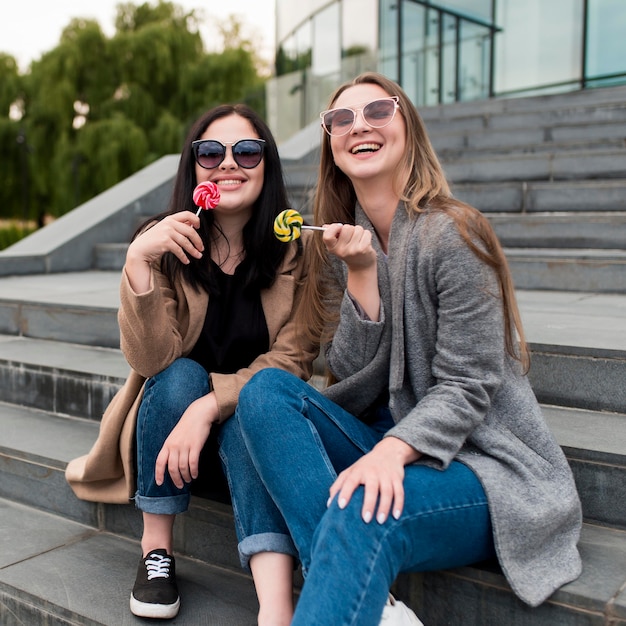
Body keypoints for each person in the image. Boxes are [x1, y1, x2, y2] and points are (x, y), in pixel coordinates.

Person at [219, 72, 583, 625]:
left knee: (358, 510)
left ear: (407, 127)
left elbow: (470, 385)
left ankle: (343, 586)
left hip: (483, 464)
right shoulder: (341, 240)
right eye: (341, 119)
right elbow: (350, 386)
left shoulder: (455, 235)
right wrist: (363, 274)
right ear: (331, 145)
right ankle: (366, 599)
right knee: (264, 394)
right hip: (391, 436)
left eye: (377, 112)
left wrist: (392, 451)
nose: (359, 126)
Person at [65, 103, 317, 620]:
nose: (228, 163)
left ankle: (276, 604)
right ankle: (156, 551)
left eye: (246, 151)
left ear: (266, 165)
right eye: (211, 151)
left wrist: (210, 407)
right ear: (193, 166)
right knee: (180, 373)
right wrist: (139, 261)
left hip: (253, 439)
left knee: (255, 405)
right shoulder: (167, 241)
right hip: (168, 437)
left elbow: (293, 358)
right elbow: (152, 358)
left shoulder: (295, 249)